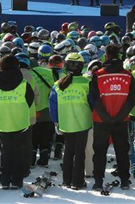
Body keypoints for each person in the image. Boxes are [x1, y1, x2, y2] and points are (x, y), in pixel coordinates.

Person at [90, 43, 135, 190]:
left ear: (106, 56)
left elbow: (94, 99)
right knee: (122, 151)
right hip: (121, 121)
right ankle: (125, 181)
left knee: (100, 152)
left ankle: (98, 182)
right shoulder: (128, 75)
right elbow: (131, 100)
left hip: (101, 120)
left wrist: (106, 117)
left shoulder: (98, 75)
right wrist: (119, 117)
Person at [0, 54, 35, 189]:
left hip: (2, 122)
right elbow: (29, 100)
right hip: (20, 122)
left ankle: (4, 180)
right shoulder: (23, 84)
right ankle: (16, 181)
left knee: (6, 151)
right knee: (18, 152)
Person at [50, 53, 92, 189]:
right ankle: (78, 182)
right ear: (81, 67)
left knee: (68, 151)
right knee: (79, 153)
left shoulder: (58, 85)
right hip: (82, 123)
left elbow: (53, 106)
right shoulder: (87, 83)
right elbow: (93, 103)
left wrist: (56, 122)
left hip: (65, 123)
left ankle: (66, 180)